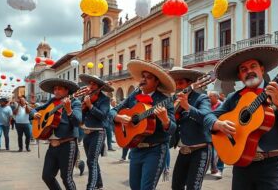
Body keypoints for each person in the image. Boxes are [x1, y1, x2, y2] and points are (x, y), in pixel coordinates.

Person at [204, 45, 278, 189]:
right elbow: (208, 116)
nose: (249, 71)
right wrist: (218, 124)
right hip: (242, 163)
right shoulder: (233, 98)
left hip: (273, 164)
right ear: (240, 76)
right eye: (243, 69)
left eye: (253, 66)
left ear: (262, 69)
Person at [110, 59, 176, 190]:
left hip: (155, 150)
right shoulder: (133, 96)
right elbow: (112, 111)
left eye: (149, 77)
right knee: (134, 187)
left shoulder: (165, 100)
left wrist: (165, 120)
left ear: (157, 82)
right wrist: (118, 117)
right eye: (143, 77)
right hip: (135, 148)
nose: (144, 80)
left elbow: (172, 129)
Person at [30, 78, 82, 190]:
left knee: (66, 178)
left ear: (67, 91)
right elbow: (36, 109)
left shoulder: (75, 102)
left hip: (67, 145)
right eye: (55, 89)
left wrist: (69, 111)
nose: (56, 91)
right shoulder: (52, 101)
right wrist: (34, 114)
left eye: (59, 89)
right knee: (47, 176)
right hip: (52, 146)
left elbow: (77, 122)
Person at [168, 67, 212, 190]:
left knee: (194, 187)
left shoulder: (202, 98)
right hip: (183, 150)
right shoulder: (175, 101)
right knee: (176, 186)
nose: (178, 86)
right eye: (176, 84)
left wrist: (187, 106)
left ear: (190, 84)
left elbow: (206, 117)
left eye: (181, 83)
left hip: (200, 150)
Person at [79, 74, 114, 190]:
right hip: (87, 132)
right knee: (92, 160)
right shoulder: (87, 96)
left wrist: (90, 106)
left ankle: (91, 186)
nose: (91, 86)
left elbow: (103, 116)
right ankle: (99, 183)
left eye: (94, 84)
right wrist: (83, 106)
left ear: (99, 86)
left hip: (98, 132)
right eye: (90, 83)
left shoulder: (105, 99)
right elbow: (81, 115)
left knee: (91, 160)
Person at [208, 91, 224, 179]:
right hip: (209, 132)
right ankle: (213, 168)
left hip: (219, 132)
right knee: (210, 151)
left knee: (220, 151)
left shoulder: (222, 106)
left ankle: (219, 169)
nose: (208, 98)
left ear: (216, 97)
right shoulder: (207, 106)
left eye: (210, 96)